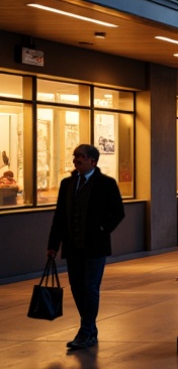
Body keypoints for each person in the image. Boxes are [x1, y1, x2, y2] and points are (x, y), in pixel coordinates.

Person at [46, 144, 125, 350]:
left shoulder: (106, 184)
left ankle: (85, 330)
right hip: (73, 246)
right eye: (75, 156)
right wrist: (53, 245)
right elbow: (60, 217)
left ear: (93, 161)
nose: (76, 160)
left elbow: (118, 212)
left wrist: (102, 228)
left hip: (95, 247)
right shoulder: (67, 184)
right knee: (77, 288)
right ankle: (90, 329)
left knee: (90, 288)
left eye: (80, 156)